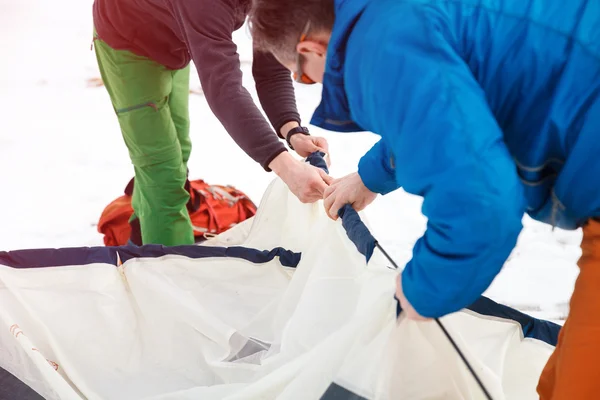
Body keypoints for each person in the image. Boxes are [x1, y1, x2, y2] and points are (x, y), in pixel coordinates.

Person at [248, 0, 600, 398]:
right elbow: (450, 109)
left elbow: (482, 207)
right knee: (558, 381)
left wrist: (421, 290)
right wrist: (370, 177)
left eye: (305, 79)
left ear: (312, 51)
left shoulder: (379, 46)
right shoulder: (388, 17)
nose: (314, 83)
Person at [91, 0, 333, 246]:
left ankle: (144, 235)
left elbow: (272, 64)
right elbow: (225, 90)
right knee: (163, 172)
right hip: (128, 45)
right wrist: (288, 169)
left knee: (179, 152)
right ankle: (167, 274)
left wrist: (292, 131)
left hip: (177, 38)